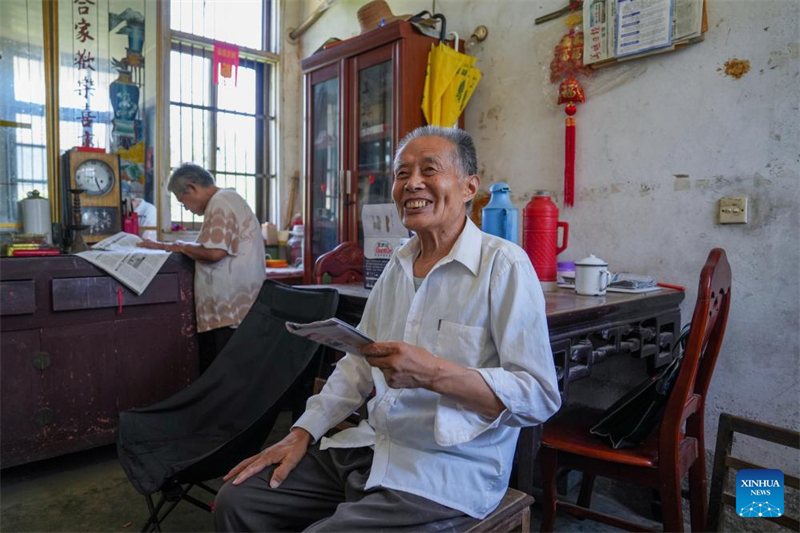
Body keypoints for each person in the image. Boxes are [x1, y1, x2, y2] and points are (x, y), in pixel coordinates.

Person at [214, 127, 561, 532]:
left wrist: (433, 373)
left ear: (469, 187)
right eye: (401, 173)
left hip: (445, 471)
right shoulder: (397, 266)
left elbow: (538, 395)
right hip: (372, 446)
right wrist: (303, 431)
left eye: (429, 170)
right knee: (238, 501)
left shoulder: (504, 266)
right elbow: (358, 366)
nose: (412, 183)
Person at [138, 163, 266, 373]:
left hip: (230, 309)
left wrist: (176, 246)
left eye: (182, 201)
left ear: (192, 188)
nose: (186, 208)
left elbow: (214, 253)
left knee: (225, 376)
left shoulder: (221, 202)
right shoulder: (227, 199)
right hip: (234, 310)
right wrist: (166, 246)